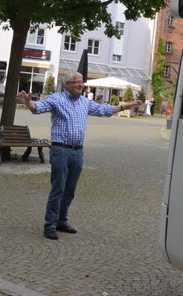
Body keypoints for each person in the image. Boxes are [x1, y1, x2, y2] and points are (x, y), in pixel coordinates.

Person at [16, 72, 143, 240]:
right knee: (58, 189)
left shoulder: (85, 102)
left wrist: (127, 106)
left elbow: (104, 110)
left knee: (70, 190)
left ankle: (62, 221)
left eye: (81, 82)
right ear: (67, 84)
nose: (80, 85)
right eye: (76, 82)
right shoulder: (57, 99)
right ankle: (50, 225)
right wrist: (28, 103)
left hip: (78, 151)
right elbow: (38, 108)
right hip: (60, 150)